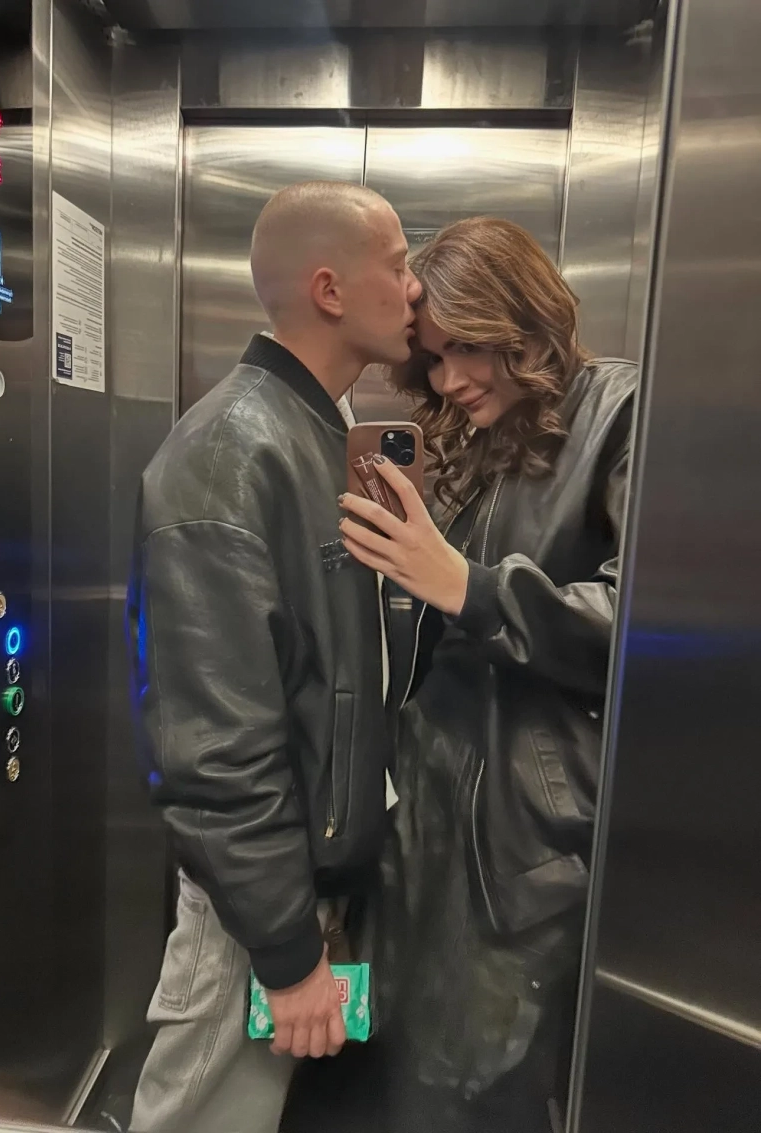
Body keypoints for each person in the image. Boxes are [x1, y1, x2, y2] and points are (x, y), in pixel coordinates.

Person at [126, 180, 421, 1133]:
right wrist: (288, 953)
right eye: (400, 265)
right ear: (330, 290)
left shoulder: (316, 431)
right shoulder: (229, 455)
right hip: (253, 914)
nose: (415, 288)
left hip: (303, 883)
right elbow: (213, 746)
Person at [338, 216, 636, 1132]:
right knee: (401, 1073)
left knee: (482, 1084)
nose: (449, 378)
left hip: (523, 838)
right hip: (426, 807)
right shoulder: (480, 434)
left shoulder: (619, 412)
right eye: (433, 358)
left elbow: (651, 623)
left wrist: (470, 586)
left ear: (523, 317)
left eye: (468, 346)